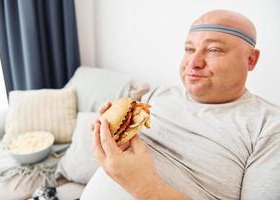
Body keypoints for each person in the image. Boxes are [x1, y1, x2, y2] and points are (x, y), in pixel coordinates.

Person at [89, 9, 280, 200]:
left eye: (214, 50)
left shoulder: (269, 127)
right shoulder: (158, 95)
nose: (194, 62)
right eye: (189, 49)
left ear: (251, 59)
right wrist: (109, 135)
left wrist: (146, 187)